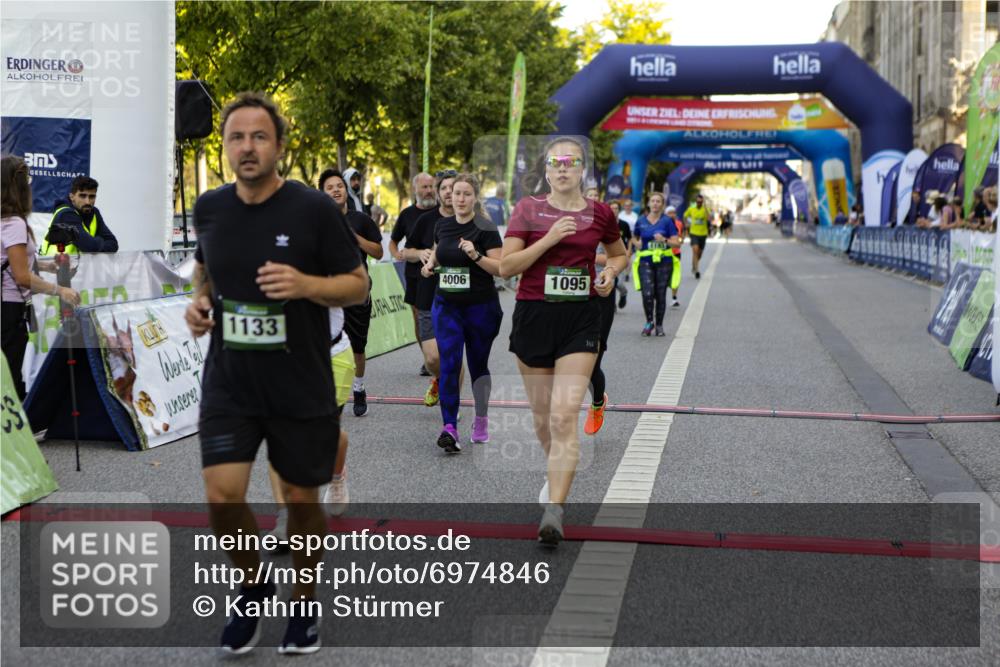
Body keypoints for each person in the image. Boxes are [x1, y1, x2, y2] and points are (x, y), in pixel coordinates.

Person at [183, 92, 367, 655]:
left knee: (300, 501)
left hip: (299, 382)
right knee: (222, 495)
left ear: (280, 146)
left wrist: (307, 285)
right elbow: (206, 269)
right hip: (230, 381)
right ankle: (253, 586)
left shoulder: (312, 209)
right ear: (224, 148)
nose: (247, 147)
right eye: (236, 137)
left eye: (259, 136)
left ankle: (303, 603)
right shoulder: (211, 208)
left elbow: (357, 283)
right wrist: (199, 301)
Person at [500, 136, 627, 546]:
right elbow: (506, 267)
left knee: (562, 416)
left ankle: (554, 510)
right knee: (543, 420)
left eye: (570, 162)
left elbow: (619, 253)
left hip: (581, 319)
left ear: (582, 169)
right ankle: (552, 470)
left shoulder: (600, 213)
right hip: (535, 316)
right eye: (555, 163)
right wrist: (550, 238)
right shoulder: (528, 209)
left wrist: (609, 273)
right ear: (547, 170)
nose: (562, 169)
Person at [419, 174, 503, 452]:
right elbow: (438, 249)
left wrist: (476, 255)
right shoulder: (442, 225)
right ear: (449, 196)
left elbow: (500, 268)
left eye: (466, 194)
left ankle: (480, 419)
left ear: (475, 197)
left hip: (481, 308)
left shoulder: (486, 228)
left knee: (478, 366)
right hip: (446, 305)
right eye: (456, 193)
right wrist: (430, 264)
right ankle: (449, 427)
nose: (460, 199)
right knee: (450, 364)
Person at [1, 155, 80, 400]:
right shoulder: (14, 223)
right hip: (9, 310)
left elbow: (11, 262)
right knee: (10, 378)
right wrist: (60, 290)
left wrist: (47, 266)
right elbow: (22, 276)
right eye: (28, 179)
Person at [319, 169, 384, 419]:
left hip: (357, 292)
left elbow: (378, 253)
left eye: (340, 186)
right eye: (330, 187)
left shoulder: (362, 220)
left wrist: (354, 238)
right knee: (325, 343)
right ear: (323, 194)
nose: (336, 190)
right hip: (328, 295)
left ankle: (358, 388)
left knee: (357, 346)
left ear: (346, 191)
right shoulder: (318, 221)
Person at [411, 171, 459, 407]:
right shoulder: (426, 220)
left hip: (460, 298)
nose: (449, 192)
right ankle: (439, 378)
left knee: (453, 354)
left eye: (454, 188)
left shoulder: (472, 221)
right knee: (432, 358)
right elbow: (404, 251)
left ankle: (453, 406)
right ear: (439, 193)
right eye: (444, 188)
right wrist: (420, 253)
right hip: (428, 293)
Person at [389, 172, 438, 376]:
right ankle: (427, 357)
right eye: (424, 187)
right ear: (415, 189)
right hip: (414, 273)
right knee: (419, 317)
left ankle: (441, 354)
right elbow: (393, 242)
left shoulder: (442, 211)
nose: (428, 191)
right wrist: (398, 255)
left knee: (440, 314)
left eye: (431, 187)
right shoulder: (407, 214)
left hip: (439, 272)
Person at [632, 192, 680, 337]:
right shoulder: (641, 221)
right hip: (645, 261)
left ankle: (659, 325)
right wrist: (637, 244)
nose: (655, 204)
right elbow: (634, 237)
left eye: (658, 201)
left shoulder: (667, 221)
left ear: (662, 204)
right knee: (647, 293)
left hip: (664, 262)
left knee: (660, 295)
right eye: (652, 201)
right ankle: (649, 322)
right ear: (648, 203)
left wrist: (664, 240)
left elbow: (677, 243)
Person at [40, 175, 118, 254]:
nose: (87, 202)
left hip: (77, 265)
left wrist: (95, 244)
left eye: (92, 197)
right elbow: (89, 246)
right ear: (72, 197)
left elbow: (113, 244)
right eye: (82, 196)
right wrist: (100, 240)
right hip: (54, 264)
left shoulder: (94, 212)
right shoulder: (66, 214)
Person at [608, 200, 631, 310]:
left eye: (616, 208)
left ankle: (623, 293)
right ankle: (612, 305)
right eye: (611, 208)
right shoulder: (605, 224)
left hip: (621, 256)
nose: (614, 210)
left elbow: (630, 239)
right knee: (610, 281)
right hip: (608, 257)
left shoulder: (624, 224)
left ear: (619, 210)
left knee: (619, 283)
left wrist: (629, 251)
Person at [683, 193, 710, 279]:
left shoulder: (705, 209)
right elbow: (685, 216)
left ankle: (694, 264)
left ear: (702, 202)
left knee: (699, 254)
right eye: (698, 202)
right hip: (694, 233)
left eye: (701, 202)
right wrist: (686, 223)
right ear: (696, 202)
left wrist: (705, 206)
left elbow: (708, 218)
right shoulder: (691, 209)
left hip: (703, 234)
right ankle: (697, 270)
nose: (699, 203)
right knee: (695, 250)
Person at [665, 205, 684, 307]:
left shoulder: (679, 223)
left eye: (673, 213)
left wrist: (680, 240)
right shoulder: (662, 223)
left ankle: (674, 298)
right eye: (669, 213)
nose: (672, 215)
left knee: (675, 275)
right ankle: (661, 296)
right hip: (665, 253)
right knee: (664, 276)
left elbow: (681, 236)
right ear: (666, 214)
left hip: (676, 252)